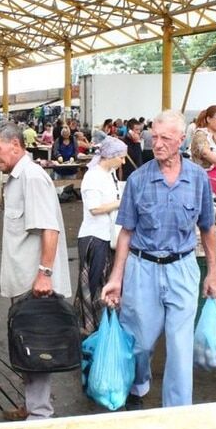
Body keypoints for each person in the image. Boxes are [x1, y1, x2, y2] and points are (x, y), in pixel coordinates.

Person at [101, 110, 216, 409]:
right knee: (140, 343)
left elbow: (207, 228)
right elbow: (126, 232)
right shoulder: (139, 179)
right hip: (143, 268)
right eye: (155, 136)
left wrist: (212, 273)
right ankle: (138, 385)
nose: (158, 143)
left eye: (166, 138)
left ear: (182, 139)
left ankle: (177, 413)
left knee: (180, 348)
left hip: (182, 268)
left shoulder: (198, 178)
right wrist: (116, 278)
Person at [0, 121, 71, 420]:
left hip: (35, 281)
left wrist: (44, 274)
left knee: (37, 342)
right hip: (24, 278)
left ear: (16, 145)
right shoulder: (16, 177)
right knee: (25, 343)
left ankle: (39, 414)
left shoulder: (32, 178)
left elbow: (50, 230)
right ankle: (32, 404)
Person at [76, 137, 127, 336]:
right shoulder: (93, 176)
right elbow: (94, 208)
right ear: (111, 156)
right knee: (95, 283)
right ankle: (93, 328)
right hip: (93, 238)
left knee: (103, 282)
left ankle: (101, 327)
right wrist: (120, 202)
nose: (123, 162)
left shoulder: (109, 174)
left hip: (106, 237)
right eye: (121, 157)